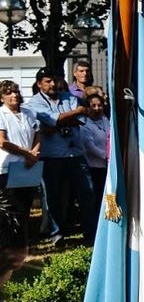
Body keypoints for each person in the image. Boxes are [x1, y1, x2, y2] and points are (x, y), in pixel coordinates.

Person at [25, 69, 92, 245]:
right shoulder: (34, 103)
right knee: (52, 196)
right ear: (39, 84)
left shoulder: (68, 97)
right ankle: (57, 233)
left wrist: (65, 118)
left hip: (75, 153)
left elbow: (80, 119)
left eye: (54, 80)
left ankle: (90, 232)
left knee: (86, 192)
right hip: (51, 156)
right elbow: (52, 121)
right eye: (48, 81)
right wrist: (74, 113)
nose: (52, 84)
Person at [0, 83, 41, 247]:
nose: (14, 95)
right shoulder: (1, 114)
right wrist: (26, 153)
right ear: (2, 97)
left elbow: (38, 134)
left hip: (28, 166)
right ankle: (9, 242)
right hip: (8, 167)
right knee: (10, 207)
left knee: (26, 206)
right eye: (9, 93)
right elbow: (2, 142)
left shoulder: (29, 113)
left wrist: (34, 154)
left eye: (16, 91)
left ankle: (23, 241)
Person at [78, 92, 110, 224]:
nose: (97, 109)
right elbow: (90, 147)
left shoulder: (106, 121)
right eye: (93, 106)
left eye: (100, 105)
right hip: (94, 166)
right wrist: (107, 157)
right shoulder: (85, 125)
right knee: (95, 197)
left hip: (107, 166)